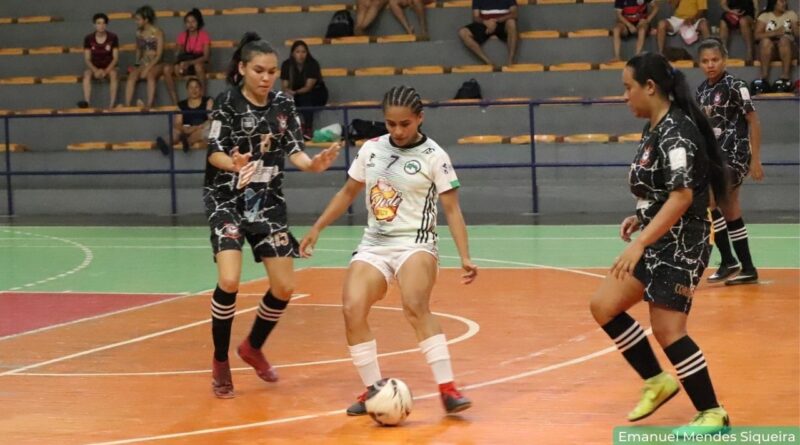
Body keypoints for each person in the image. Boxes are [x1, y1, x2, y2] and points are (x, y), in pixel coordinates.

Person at [300, 85, 478, 416]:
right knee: (352, 307)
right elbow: (348, 192)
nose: (397, 131)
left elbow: (452, 210)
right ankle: (373, 390)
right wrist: (317, 227)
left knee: (414, 304)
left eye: (405, 124)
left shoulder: (434, 156)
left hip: (417, 243)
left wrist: (465, 255)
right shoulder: (371, 150)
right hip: (375, 244)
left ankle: (448, 388)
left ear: (419, 119)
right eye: (390, 124)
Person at [589, 52, 731, 435]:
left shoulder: (677, 132)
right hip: (658, 237)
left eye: (627, 87)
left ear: (649, 87)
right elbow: (664, 191)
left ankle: (712, 413)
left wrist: (638, 243)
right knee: (604, 305)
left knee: (669, 331)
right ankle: (656, 380)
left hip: (681, 245)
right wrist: (642, 215)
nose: (625, 96)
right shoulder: (656, 127)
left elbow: (683, 197)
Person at [204, 32, 341, 399]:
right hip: (227, 200)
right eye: (259, 71)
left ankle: (252, 347)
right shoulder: (227, 103)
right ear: (242, 69)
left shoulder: (283, 103)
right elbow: (213, 152)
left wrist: (314, 165)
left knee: (284, 287)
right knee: (230, 280)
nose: (266, 78)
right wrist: (232, 164)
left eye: (272, 71)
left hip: (267, 202)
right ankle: (220, 360)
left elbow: (296, 152)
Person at [696, 38, 763, 284]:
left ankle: (728, 260)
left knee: (711, 200)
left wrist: (755, 159)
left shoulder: (736, 85)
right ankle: (744, 266)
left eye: (715, 60)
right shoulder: (702, 90)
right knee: (730, 208)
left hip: (735, 156)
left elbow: (753, 121)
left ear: (724, 59)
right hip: (714, 159)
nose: (710, 65)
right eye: (705, 61)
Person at [281, 41, 329, 141]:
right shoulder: (286, 65)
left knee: (305, 97)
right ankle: (289, 128)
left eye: (303, 52)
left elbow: (308, 87)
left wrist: (294, 93)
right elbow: (284, 86)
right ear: (292, 53)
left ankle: (308, 128)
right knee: (283, 98)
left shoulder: (312, 64)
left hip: (316, 94)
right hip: (296, 93)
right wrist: (288, 92)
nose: (301, 55)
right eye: (298, 52)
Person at [164, 8, 211, 105]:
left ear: (198, 22)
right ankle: (175, 102)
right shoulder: (182, 36)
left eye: (193, 21)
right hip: (186, 63)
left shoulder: (204, 35)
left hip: (199, 62)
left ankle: (203, 99)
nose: (190, 24)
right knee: (167, 69)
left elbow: (206, 57)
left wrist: (190, 63)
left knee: (198, 66)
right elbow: (178, 54)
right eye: (188, 22)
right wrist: (178, 61)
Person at [155, 77, 213, 154]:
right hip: (187, 129)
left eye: (196, 87)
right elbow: (177, 123)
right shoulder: (181, 105)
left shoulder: (208, 101)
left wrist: (198, 127)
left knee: (205, 129)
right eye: (191, 87)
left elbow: (211, 118)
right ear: (187, 90)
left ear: (201, 89)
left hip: (202, 127)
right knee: (176, 131)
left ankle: (188, 142)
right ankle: (165, 142)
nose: (194, 90)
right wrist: (186, 129)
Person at [124, 5, 166, 107]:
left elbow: (159, 54)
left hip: (156, 62)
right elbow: (139, 50)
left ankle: (149, 104)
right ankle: (127, 105)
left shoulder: (158, 32)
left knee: (150, 76)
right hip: (144, 61)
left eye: (138, 19)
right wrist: (137, 64)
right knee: (132, 76)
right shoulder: (139, 32)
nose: (136, 22)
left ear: (146, 20)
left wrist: (148, 68)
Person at [753, 0, 798, 93]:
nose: (784, 3)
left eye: (785, 1)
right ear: (774, 3)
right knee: (765, 42)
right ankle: (764, 77)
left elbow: (797, 33)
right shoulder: (765, 16)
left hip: (788, 49)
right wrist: (775, 33)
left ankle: (785, 76)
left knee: (784, 40)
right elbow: (757, 36)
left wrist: (797, 27)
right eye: (781, 1)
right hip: (770, 51)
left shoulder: (791, 14)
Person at [458, 0, 519, 67]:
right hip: (485, 24)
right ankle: (489, 62)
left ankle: (510, 61)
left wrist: (497, 20)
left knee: (512, 23)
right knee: (463, 32)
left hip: (502, 22)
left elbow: (514, 14)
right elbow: (475, 17)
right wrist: (486, 22)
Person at [80, 13, 119, 109]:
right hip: (95, 67)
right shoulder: (88, 38)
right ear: (94, 25)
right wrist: (95, 70)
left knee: (114, 74)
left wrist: (106, 71)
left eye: (103, 23)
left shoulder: (113, 37)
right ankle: (87, 103)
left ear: (106, 25)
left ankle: (112, 104)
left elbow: (115, 58)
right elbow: (87, 59)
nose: (101, 26)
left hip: (109, 67)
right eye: (98, 23)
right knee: (86, 74)